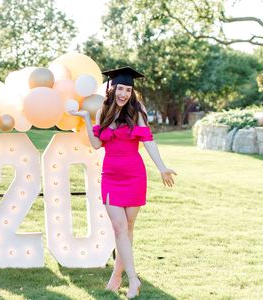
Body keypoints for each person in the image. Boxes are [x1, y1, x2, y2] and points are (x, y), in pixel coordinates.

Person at [68, 66, 176, 298]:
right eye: (120, 88)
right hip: (111, 178)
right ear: (112, 88)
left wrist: (162, 167)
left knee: (126, 230)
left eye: (128, 89)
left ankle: (116, 276)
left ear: (132, 92)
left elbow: (148, 140)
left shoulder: (137, 111)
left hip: (134, 176)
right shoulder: (103, 111)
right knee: (119, 228)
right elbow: (97, 145)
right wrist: (87, 118)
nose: (124, 93)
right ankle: (134, 280)